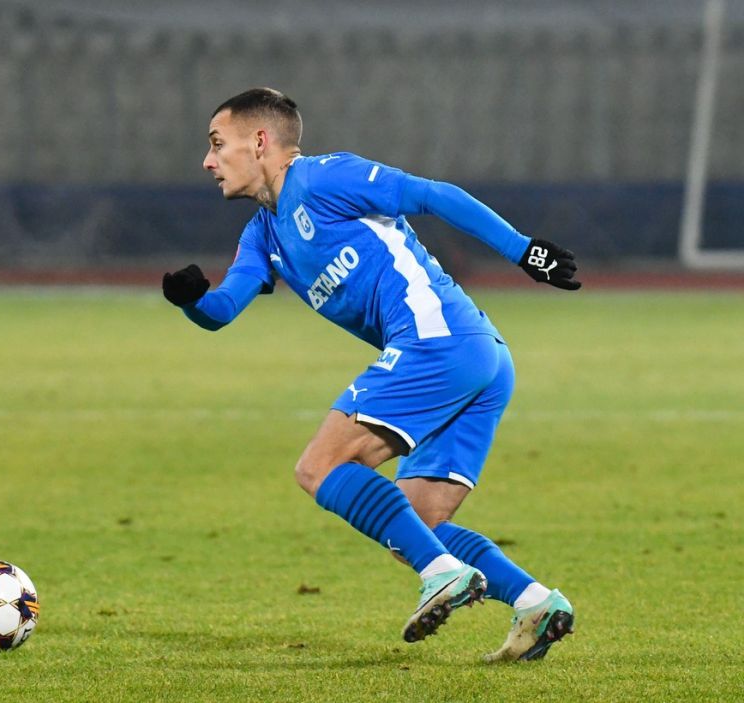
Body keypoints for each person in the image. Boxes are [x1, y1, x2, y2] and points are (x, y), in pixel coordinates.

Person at [162, 88, 579, 662]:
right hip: (475, 358)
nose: (208, 161)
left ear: (259, 142)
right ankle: (534, 602)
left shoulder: (324, 178)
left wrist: (524, 250)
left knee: (319, 467)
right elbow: (223, 308)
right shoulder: (263, 234)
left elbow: (433, 195)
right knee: (419, 524)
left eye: (216, 144)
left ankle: (443, 575)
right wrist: (191, 299)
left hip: (439, 342)